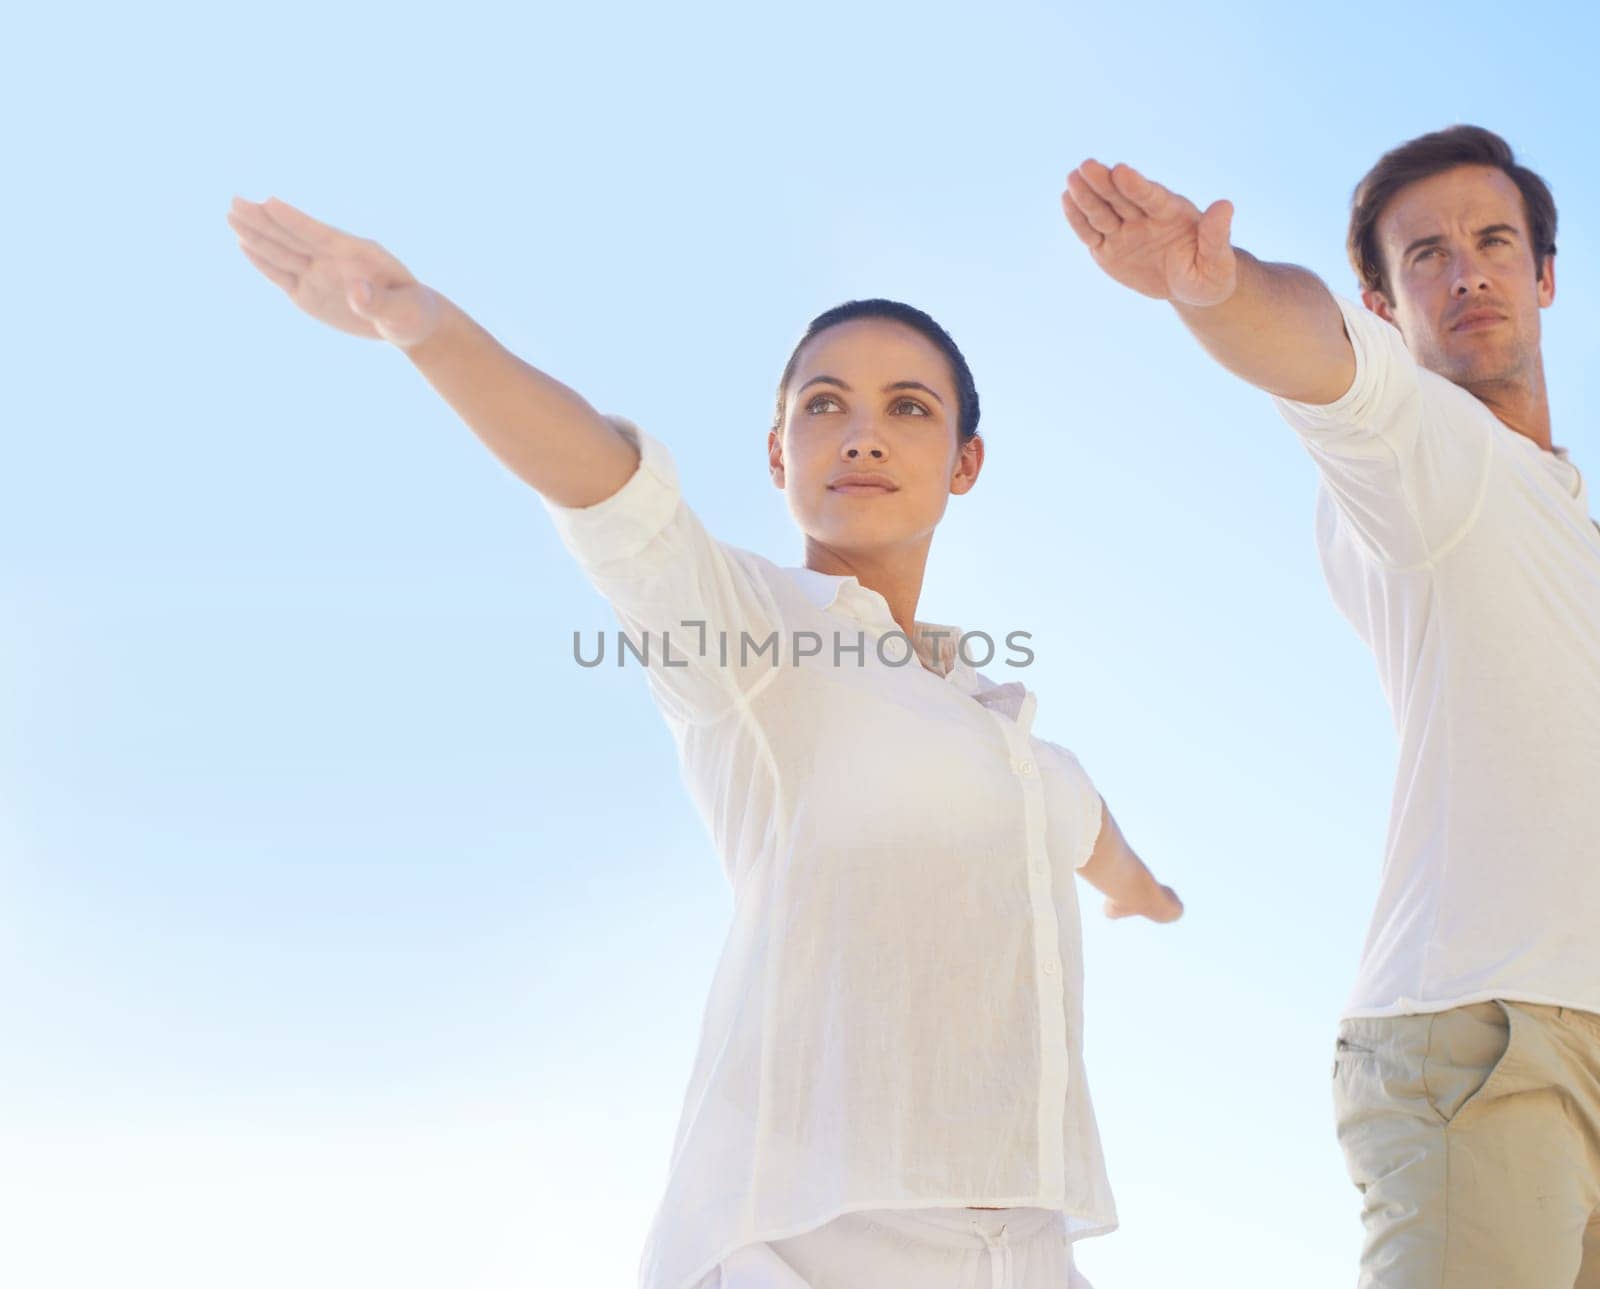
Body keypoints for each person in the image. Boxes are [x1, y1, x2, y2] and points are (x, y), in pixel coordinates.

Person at [226, 193, 1184, 1289]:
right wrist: (425, 323)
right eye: (825, 405)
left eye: (908, 407)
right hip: (811, 1245)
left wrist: (1144, 891)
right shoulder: (748, 633)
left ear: (966, 461)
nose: (863, 431)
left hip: (1030, 1251)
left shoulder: (1008, 731)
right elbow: (608, 486)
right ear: (778, 453)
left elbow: (1086, 826)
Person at [1061, 125, 1600, 1287]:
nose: (1468, 271)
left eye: (1495, 241)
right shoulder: (1423, 453)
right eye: (1426, 254)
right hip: (1487, 1038)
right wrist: (1214, 289)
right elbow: (1310, 351)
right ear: (1381, 297)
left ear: (1546, 276)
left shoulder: (1571, 526)